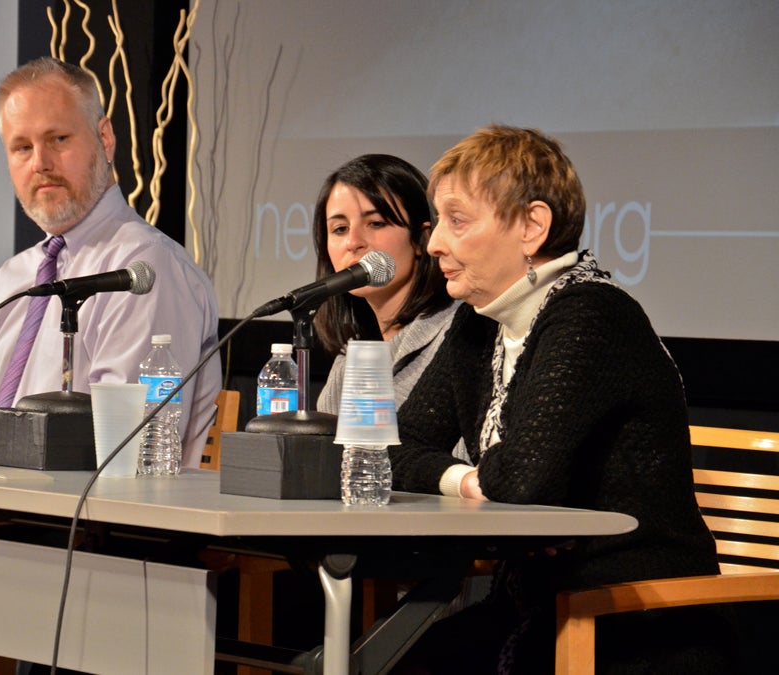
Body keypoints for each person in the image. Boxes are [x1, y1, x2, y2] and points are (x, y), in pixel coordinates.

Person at [390, 125, 733, 673]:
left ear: (532, 226)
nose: (433, 244)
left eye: (457, 220)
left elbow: (523, 481)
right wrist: (468, 479)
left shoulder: (591, 315)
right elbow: (389, 446)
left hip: (640, 619)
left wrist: (481, 480)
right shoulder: (477, 325)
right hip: (536, 606)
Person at [0, 57, 221, 467]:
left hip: (86, 519)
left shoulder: (143, 270)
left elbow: (125, 445)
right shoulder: (10, 279)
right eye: (22, 147)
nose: (40, 163)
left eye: (58, 139)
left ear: (104, 138)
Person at [312, 154, 458, 419]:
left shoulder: (456, 334)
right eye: (340, 229)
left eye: (375, 223)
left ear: (421, 240)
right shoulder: (351, 359)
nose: (353, 242)